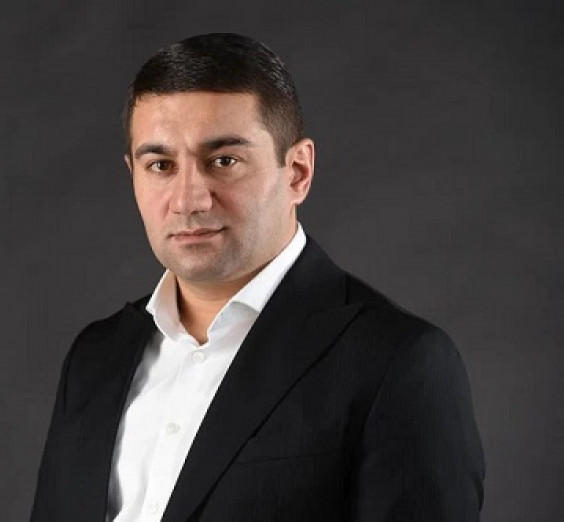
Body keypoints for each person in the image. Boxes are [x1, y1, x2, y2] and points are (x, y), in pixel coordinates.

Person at [30, 33, 484, 521]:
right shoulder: (95, 357)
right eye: (160, 165)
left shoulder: (399, 362)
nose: (187, 200)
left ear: (297, 172)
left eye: (224, 161)